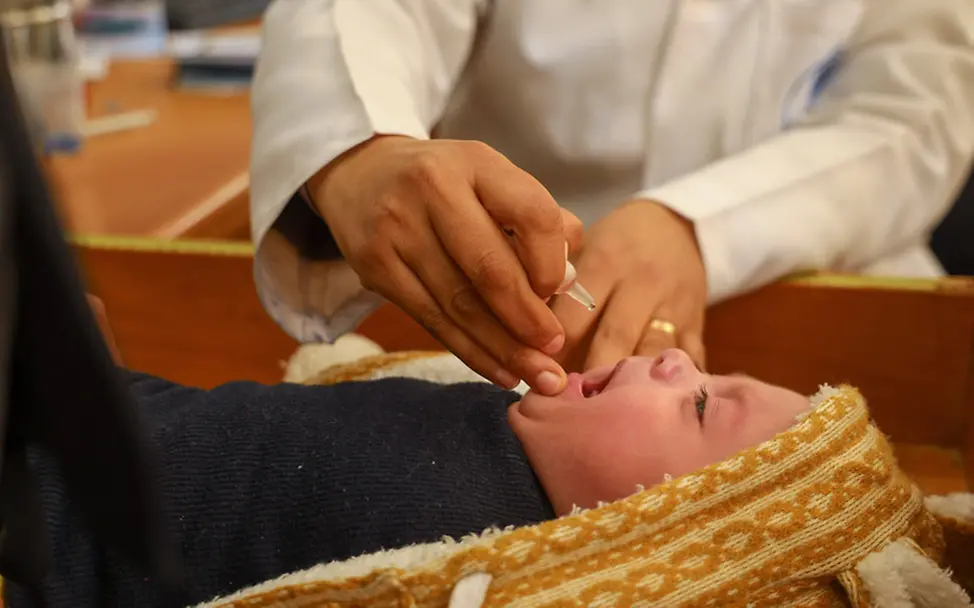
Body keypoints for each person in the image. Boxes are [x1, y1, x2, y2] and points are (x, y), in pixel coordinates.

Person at [250, 0, 974, 399]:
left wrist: (704, 228)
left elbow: (916, 114)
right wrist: (359, 146)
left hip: (829, 295)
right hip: (500, 308)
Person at [4, 348, 813, 606]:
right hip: (87, 409)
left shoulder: (468, 571)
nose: (675, 358)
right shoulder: (498, 415)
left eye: (702, 405)